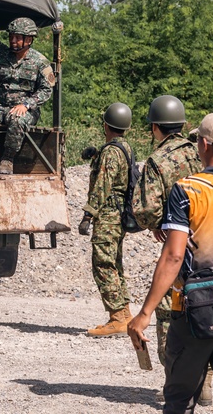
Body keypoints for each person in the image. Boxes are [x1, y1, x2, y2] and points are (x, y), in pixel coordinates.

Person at [128, 112, 213, 412]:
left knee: (179, 399)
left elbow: (173, 255)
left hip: (194, 311)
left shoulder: (189, 189)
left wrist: (145, 312)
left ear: (204, 144)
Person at [131, 94, 205, 402]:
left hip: (177, 243)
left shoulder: (157, 162)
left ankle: (177, 384)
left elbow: (144, 208)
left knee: (168, 311)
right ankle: (207, 380)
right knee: (208, 302)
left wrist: (157, 225)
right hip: (211, 241)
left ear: (155, 128)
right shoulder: (202, 152)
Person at [0, 17, 55, 174]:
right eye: (11, 36)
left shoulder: (39, 61)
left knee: (17, 119)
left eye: (18, 37)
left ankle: (8, 159)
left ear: (29, 39)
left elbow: (46, 90)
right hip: (0, 106)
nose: (13, 40)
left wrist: (26, 105)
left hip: (25, 109)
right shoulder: (3, 56)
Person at [79, 102, 136, 337]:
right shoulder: (124, 147)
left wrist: (87, 214)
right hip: (118, 214)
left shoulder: (111, 151)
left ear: (106, 125)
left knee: (103, 263)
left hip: (109, 215)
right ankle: (124, 314)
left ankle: (117, 316)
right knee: (115, 262)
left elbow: (103, 184)